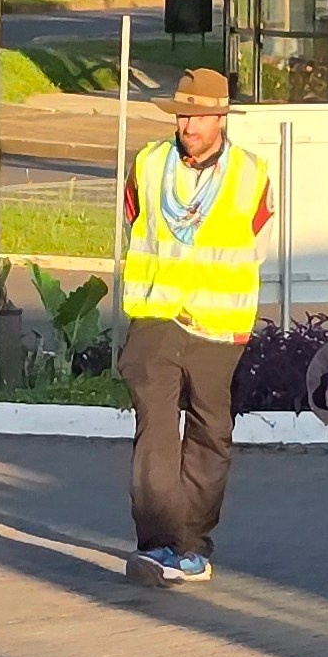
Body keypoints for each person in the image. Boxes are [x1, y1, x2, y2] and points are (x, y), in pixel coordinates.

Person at [118, 66, 272, 586]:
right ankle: (157, 544)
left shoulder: (251, 173)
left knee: (211, 437)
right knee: (156, 434)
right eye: (183, 115)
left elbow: (257, 240)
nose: (189, 125)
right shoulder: (148, 164)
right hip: (156, 317)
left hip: (218, 328)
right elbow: (134, 221)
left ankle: (191, 546)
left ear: (221, 118)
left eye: (200, 117)